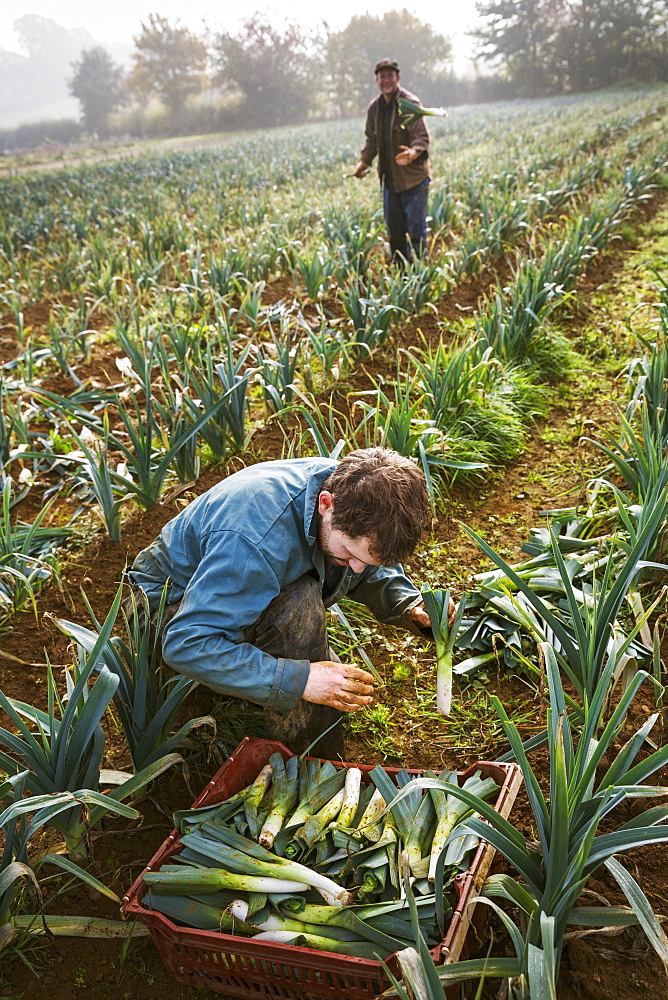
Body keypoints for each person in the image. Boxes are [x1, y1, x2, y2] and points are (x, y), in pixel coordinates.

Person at [126, 448, 433, 759]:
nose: (357, 568)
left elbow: (368, 556)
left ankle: (256, 694)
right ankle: (311, 765)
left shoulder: (355, 493)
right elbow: (188, 643)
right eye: (350, 555)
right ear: (326, 504)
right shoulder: (253, 539)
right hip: (167, 605)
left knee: (315, 652)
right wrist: (301, 680)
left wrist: (408, 604)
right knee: (299, 610)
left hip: (235, 586)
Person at [353, 57, 430, 263]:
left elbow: (421, 137)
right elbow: (371, 140)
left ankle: (422, 273)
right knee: (395, 234)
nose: (386, 80)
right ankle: (403, 278)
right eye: (382, 76)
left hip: (413, 181)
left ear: (398, 78)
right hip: (390, 182)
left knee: (416, 232)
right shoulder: (374, 108)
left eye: (390, 76)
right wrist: (363, 162)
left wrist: (413, 152)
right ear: (377, 80)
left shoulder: (410, 103)